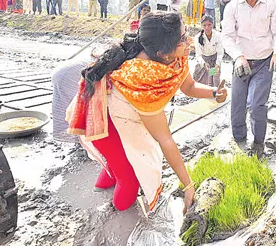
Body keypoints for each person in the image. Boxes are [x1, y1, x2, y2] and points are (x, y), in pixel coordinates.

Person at [66, 12, 228, 211]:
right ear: (163, 53)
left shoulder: (173, 56)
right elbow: (165, 139)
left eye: (185, 34)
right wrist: (188, 185)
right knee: (130, 181)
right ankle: (112, 214)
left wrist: (213, 92)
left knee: (125, 163)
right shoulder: (142, 78)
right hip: (106, 122)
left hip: (126, 113)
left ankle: (111, 174)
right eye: (183, 39)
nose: (189, 41)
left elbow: (188, 87)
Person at [221, 0, 276, 157]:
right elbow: (227, 36)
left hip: (264, 62)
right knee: (238, 105)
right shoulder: (232, 7)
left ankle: (258, 143)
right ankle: (239, 140)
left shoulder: (272, 4)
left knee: (257, 105)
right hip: (241, 62)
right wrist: (238, 57)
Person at [193, 15, 224, 87]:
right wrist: (203, 63)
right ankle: (204, 94)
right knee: (203, 80)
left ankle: (215, 94)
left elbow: (220, 52)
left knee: (215, 78)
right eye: (204, 25)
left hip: (215, 59)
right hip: (204, 60)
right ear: (201, 26)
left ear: (213, 24)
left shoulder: (218, 35)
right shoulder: (198, 38)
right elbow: (198, 55)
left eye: (209, 25)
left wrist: (217, 64)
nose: (207, 28)